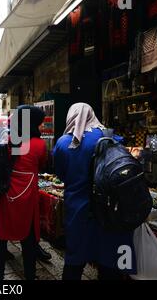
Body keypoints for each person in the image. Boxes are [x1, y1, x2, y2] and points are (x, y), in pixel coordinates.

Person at [53, 103, 136, 280]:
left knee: (74, 263)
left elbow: (61, 175)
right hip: (111, 212)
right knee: (111, 264)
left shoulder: (63, 143)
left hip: (79, 213)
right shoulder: (112, 137)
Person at [0, 105, 48, 280]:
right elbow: (42, 164)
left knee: (0, 239)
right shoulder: (39, 144)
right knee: (28, 242)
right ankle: (29, 276)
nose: (42, 127)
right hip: (27, 196)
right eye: (40, 123)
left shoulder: (11, 141)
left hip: (7, 196)